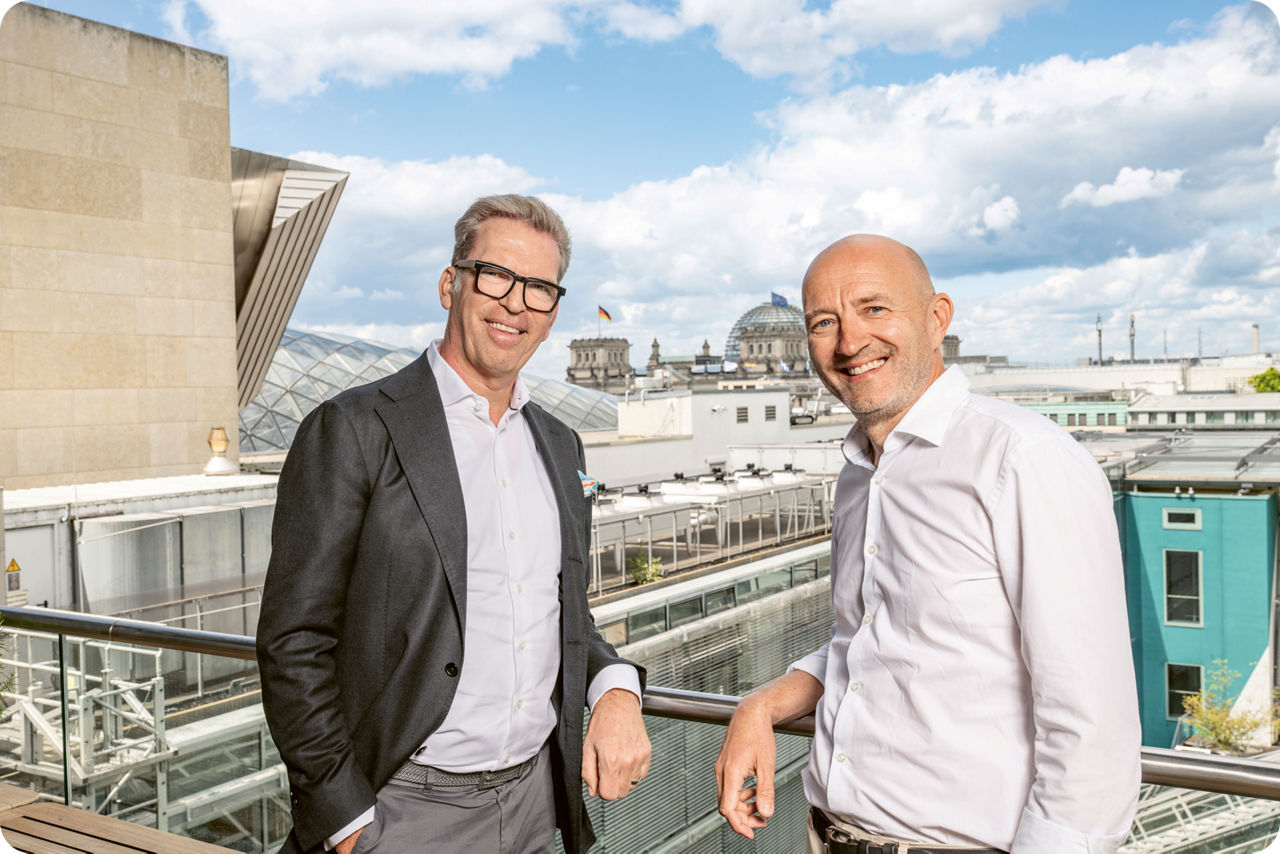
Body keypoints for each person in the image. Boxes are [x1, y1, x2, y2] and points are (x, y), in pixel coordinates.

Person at [714, 234, 1140, 853]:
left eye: (874, 308)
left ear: (938, 318)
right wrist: (762, 704)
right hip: (827, 836)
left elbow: (1092, 722)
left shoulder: (1024, 459)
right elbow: (872, 643)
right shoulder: (860, 473)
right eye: (823, 322)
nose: (849, 342)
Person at [258, 194, 650, 854]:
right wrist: (348, 820)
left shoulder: (559, 445)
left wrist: (615, 690)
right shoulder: (355, 429)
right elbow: (294, 639)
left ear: (553, 314)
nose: (516, 303)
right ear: (451, 283)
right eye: (495, 275)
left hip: (535, 804)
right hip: (403, 808)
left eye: (540, 289)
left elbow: (560, 617)